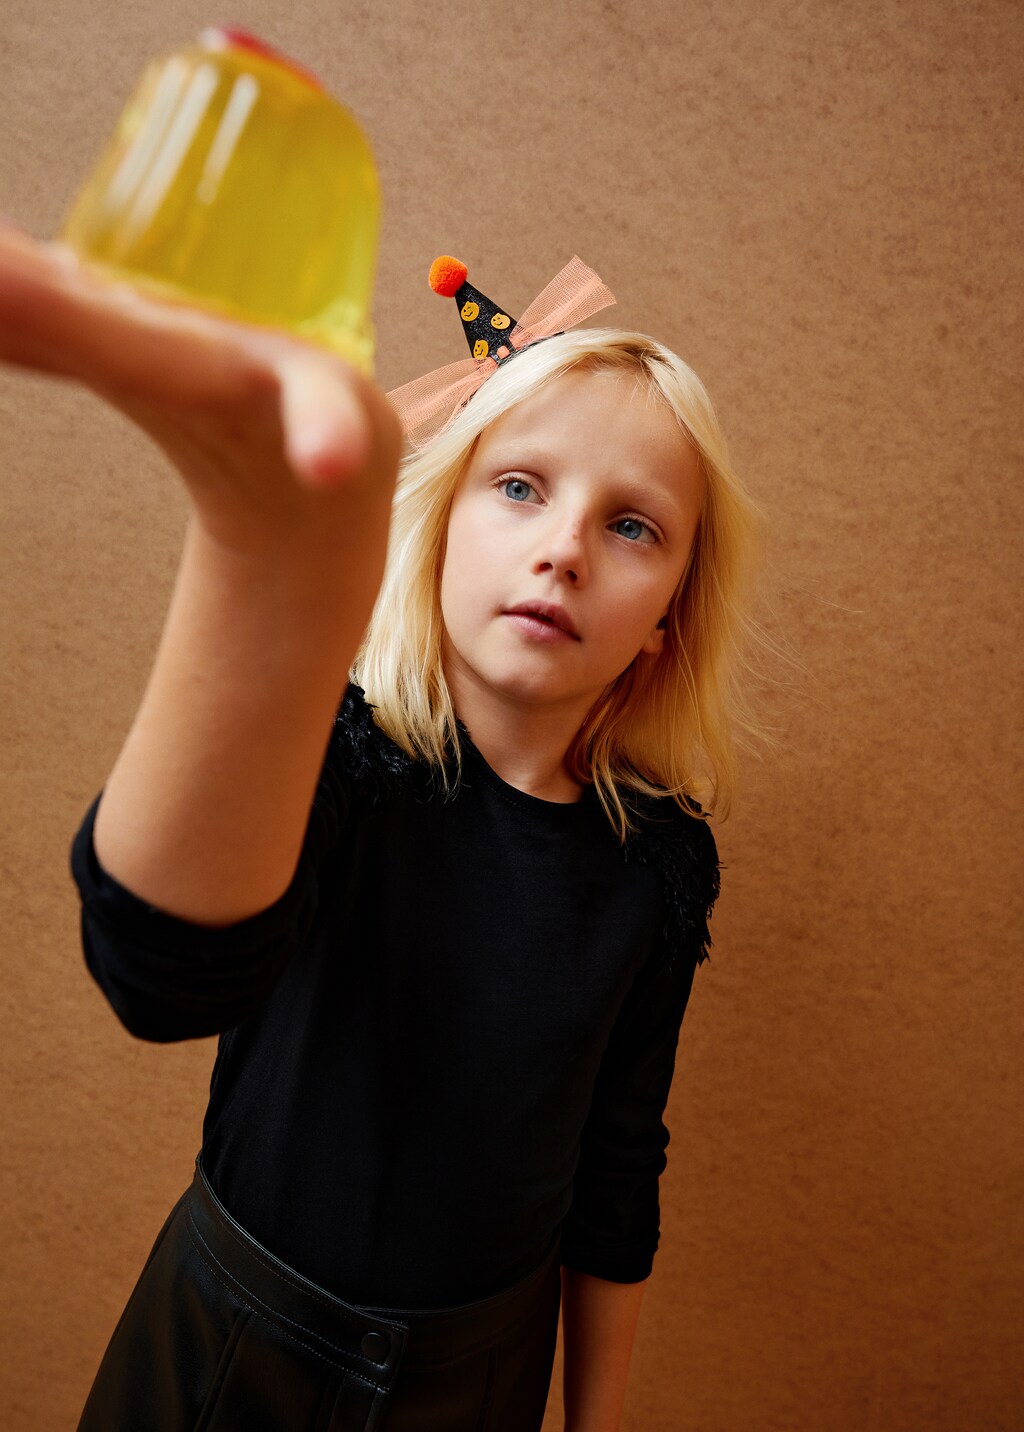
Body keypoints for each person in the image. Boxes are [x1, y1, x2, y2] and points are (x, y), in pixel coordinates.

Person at [0, 227, 760, 1432]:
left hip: (480, 1381)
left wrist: (594, 1420)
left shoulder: (658, 865)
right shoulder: (343, 757)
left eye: (632, 527)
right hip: (225, 1340)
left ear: (666, 620)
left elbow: (618, 1167)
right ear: (444, 522)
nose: (562, 547)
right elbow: (158, 966)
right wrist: (260, 556)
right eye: (519, 487)